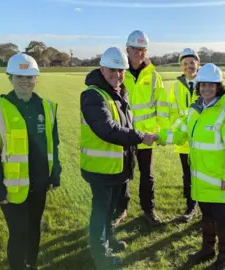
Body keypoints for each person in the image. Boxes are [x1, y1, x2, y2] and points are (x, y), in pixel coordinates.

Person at [157, 63, 225, 269]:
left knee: (222, 218)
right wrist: (157, 136)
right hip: (200, 178)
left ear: (219, 87)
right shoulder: (194, 110)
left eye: (211, 85)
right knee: (207, 215)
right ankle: (207, 249)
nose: (206, 89)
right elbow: (180, 134)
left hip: (219, 179)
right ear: (198, 86)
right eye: (203, 85)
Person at [0, 53, 62, 270]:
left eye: (30, 76)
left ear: (37, 79)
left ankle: (30, 264)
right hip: (12, 187)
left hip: (39, 184)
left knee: (34, 228)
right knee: (18, 233)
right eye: (19, 76)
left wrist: (55, 175)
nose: (25, 81)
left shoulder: (47, 108)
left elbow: (54, 145)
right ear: (10, 78)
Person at [80, 47, 155, 268]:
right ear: (101, 69)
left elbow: (125, 125)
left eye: (121, 70)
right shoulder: (93, 95)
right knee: (101, 210)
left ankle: (110, 239)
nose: (117, 75)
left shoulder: (120, 93)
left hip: (119, 166)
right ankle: (100, 251)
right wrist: (141, 137)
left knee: (113, 209)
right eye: (112, 70)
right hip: (101, 168)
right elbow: (107, 129)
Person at [113, 30, 170, 227]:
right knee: (122, 174)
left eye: (143, 49)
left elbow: (162, 107)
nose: (139, 53)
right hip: (125, 134)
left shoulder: (154, 76)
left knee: (147, 175)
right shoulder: (119, 73)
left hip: (147, 136)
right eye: (135, 49)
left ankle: (149, 210)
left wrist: (161, 132)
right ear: (127, 49)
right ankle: (121, 209)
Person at [168, 48, 201, 222]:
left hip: (203, 139)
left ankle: (206, 208)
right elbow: (173, 113)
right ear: (181, 67)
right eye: (185, 63)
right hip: (184, 140)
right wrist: (179, 131)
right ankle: (190, 207)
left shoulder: (207, 82)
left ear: (198, 63)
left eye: (192, 62)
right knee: (187, 175)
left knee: (203, 174)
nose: (189, 66)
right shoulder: (176, 87)